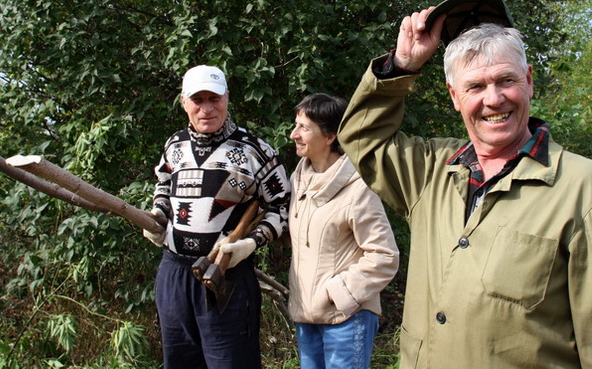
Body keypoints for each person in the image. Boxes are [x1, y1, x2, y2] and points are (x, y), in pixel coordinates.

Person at [338, 0, 592, 368]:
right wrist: (403, 64)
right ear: (454, 96)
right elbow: (360, 137)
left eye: (506, 80)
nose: (494, 99)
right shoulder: (430, 170)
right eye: (475, 87)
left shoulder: (584, 187)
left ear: (529, 81)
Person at [142, 64, 291, 369]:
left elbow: (282, 207)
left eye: (215, 99)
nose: (206, 109)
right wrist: (158, 214)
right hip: (174, 273)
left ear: (227, 98)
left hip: (226, 276)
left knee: (230, 363)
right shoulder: (174, 146)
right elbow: (164, 184)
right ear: (184, 102)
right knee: (180, 361)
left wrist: (250, 243)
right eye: (198, 100)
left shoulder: (256, 151)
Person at [287, 93, 399, 369]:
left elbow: (385, 256)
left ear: (330, 137)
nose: (293, 134)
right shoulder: (297, 181)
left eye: (304, 127)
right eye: (296, 125)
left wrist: (338, 293)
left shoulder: (359, 188)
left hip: (347, 318)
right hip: (306, 317)